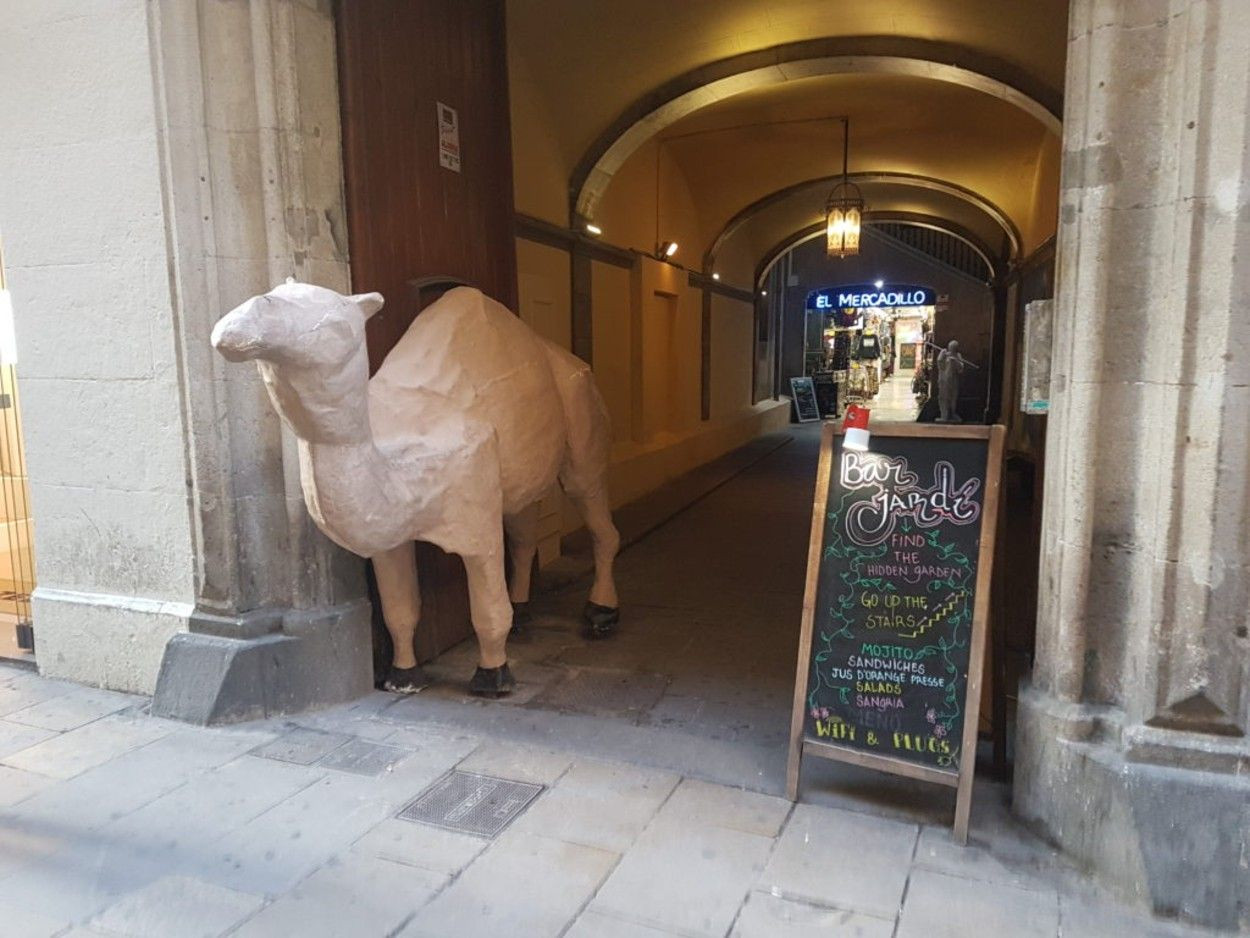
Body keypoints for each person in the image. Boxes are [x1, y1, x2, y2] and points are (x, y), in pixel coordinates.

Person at [937, 339, 964, 422]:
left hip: (953, 380)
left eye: (954, 348)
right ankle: (944, 415)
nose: (952, 349)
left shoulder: (958, 355)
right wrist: (942, 357)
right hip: (944, 380)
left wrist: (955, 362)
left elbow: (961, 368)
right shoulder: (945, 354)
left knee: (953, 398)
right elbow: (940, 364)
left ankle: (952, 414)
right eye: (951, 347)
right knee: (943, 397)